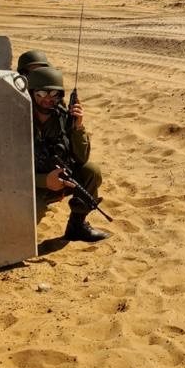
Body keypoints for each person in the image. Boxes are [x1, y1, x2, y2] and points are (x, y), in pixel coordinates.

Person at [27, 66, 109, 242]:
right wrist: (44, 180)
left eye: (54, 94)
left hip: (62, 180)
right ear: (32, 93)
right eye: (41, 93)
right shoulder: (20, 120)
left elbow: (82, 158)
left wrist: (78, 127)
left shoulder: (64, 117)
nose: (48, 99)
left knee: (91, 171)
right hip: (30, 184)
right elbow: (9, 171)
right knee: (31, 214)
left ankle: (77, 226)